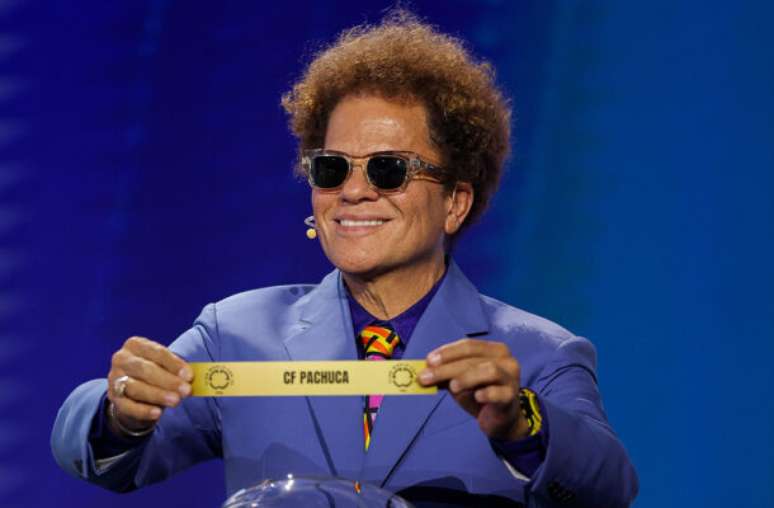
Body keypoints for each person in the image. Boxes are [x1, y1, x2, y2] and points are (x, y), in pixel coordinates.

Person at [51, 11, 638, 507]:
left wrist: (520, 424)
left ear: (455, 202)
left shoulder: (537, 354)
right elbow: (98, 455)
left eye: (389, 169)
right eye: (332, 169)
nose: (354, 192)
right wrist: (120, 413)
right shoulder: (237, 332)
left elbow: (609, 487)